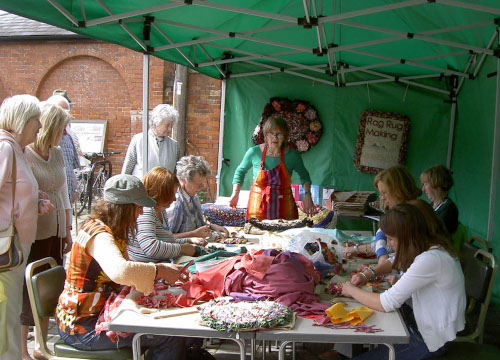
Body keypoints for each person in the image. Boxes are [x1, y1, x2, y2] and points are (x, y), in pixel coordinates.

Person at [55, 174, 197, 359]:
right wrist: (159, 271)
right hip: (82, 328)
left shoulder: (110, 230)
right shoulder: (98, 234)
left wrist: (161, 270)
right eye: (138, 208)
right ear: (122, 209)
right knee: (170, 336)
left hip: (91, 318)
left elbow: (127, 269)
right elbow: (120, 270)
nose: (140, 214)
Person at [342, 203, 466, 359]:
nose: (388, 244)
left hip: (431, 339)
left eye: (391, 239)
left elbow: (385, 303)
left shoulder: (430, 259)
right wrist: (369, 274)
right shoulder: (431, 248)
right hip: (425, 327)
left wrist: (351, 290)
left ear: (407, 237)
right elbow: (396, 261)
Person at [0, 95, 53, 360]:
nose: (40, 126)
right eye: (36, 120)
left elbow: (17, 190)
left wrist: (37, 199)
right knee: (7, 312)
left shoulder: (16, 149)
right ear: (21, 120)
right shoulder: (5, 148)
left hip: (17, 242)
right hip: (7, 243)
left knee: (8, 309)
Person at [21, 102, 73, 360]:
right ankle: (21, 349)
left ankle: (40, 345)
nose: (65, 134)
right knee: (28, 289)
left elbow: (63, 193)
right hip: (33, 231)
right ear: (50, 126)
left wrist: (68, 230)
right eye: (62, 128)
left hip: (56, 229)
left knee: (50, 289)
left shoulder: (58, 153)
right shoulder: (24, 153)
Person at [229, 115, 315, 220]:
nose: (274, 138)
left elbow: (304, 176)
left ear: (285, 136)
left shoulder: (293, 156)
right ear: (265, 135)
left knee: (285, 234)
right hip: (258, 205)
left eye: (279, 134)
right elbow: (240, 171)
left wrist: (307, 195)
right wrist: (235, 193)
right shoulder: (254, 152)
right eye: (271, 134)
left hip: (284, 207)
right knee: (256, 232)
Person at [350, 199, 452, 287]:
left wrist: (351, 290)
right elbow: (395, 259)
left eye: (385, 193)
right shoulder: (423, 247)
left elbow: (388, 301)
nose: (383, 198)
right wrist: (368, 273)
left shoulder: (429, 257)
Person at [344, 165, 421, 264]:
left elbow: (389, 247)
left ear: (398, 190)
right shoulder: (399, 210)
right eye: (381, 194)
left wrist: (359, 249)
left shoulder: (412, 215)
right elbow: (382, 234)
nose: (382, 198)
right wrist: (358, 248)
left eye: (384, 193)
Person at [127, 166, 198, 262]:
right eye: (171, 194)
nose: (174, 199)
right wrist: (182, 248)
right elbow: (150, 247)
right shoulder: (146, 211)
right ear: (160, 193)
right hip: (147, 270)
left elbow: (164, 241)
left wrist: (188, 240)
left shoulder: (161, 211)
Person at [168, 155, 228, 240]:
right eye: (198, 184)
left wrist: (212, 227)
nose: (201, 187)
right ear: (183, 180)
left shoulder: (193, 197)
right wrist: (193, 234)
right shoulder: (176, 204)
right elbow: (167, 238)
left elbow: (198, 225)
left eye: (202, 183)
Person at [122, 104, 180, 177]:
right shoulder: (138, 140)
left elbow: (176, 173)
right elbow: (127, 170)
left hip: (165, 188)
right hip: (142, 187)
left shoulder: (174, 145)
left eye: (171, 125)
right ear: (156, 123)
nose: (170, 129)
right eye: (167, 125)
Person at [47, 93, 80, 204]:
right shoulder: (44, 140)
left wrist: (75, 189)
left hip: (68, 196)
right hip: (52, 199)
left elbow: (72, 166)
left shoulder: (68, 136)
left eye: (67, 112)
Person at [420, 164, 459, 234]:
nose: (423, 189)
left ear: (437, 184)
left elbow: (433, 234)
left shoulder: (448, 208)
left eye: (426, 184)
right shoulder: (432, 205)